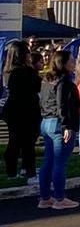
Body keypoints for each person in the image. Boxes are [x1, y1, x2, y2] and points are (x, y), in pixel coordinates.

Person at [37, 50, 80, 210]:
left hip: (46, 121)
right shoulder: (64, 82)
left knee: (48, 161)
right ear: (64, 63)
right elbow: (62, 104)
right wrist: (66, 126)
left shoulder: (47, 81)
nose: (74, 62)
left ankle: (45, 197)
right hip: (59, 123)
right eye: (71, 60)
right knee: (59, 163)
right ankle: (60, 198)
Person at [2, 41, 40, 182]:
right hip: (26, 111)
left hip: (12, 110)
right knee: (27, 143)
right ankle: (28, 171)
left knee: (14, 142)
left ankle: (12, 171)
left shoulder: (8, 72)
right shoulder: (26, 72)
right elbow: (36, 86)